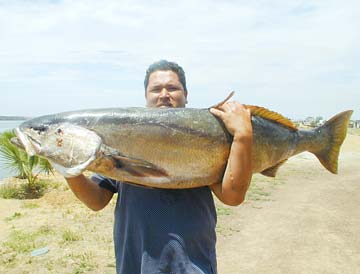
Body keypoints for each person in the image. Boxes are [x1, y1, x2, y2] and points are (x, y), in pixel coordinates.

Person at [62, 60, 253, 274]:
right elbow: (96, 201)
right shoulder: (123, 137)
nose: (164, 94)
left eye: (172, 88)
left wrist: (242, 137)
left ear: (186, 95)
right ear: (146, 97)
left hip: (192, 266)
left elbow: (233, 196)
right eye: (156, 89)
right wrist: (69, 169)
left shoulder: (209, 136)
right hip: (136, 265)